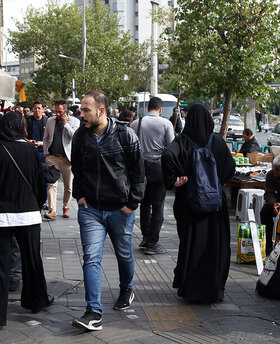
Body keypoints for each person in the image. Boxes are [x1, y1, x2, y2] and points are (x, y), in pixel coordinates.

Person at [70, 91, 145, 331]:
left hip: (120, 209)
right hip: (90, 208)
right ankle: (93, 312)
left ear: (101, 111)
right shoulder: (82, 135)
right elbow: (77, 168)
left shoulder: (125, 134)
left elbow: (139, 173)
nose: (81, 114)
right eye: (81, 110)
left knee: (124, 253)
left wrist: (131, 204)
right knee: (91, 258)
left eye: (85, 110)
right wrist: (79, 195)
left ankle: (127, 288)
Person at [0, 112, 53, 332]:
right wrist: (37, 203)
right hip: (28, 214)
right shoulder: (29, 149)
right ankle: (35, 300)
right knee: (32, 259)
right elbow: (39, 183)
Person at [161, 103, 236, 304]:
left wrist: (175, 180)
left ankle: (191, 288)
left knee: (191, 244)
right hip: (215, 206)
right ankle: (214, 288)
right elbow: (231, 167)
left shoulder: (182, 141)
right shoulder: (217, 143)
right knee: (216, 245)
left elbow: (167, 155)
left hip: (190, 204)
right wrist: (216, 183)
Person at [130, 97, 175, 255]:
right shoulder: (166, 124)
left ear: (148, 108)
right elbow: (171, 147)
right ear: (161, 109)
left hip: (141, 169)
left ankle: (145, 237)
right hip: (159, 169)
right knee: (158, 206)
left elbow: (131, 146)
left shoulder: (136, 123)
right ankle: (152, 242)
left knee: (145, 204)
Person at [42, 99, 80, 219]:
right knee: (52, 184)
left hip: (67, 158)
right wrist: (46, 153)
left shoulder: (74, 121)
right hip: (52, 157)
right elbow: (46, 138)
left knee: (68, 186)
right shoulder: (50, 121)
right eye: (56, 111)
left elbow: (75, 137)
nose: (57, 114)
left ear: (66, 111)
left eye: (60, 111)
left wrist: (66, 124)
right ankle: (52, 210)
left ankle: (66, 208)